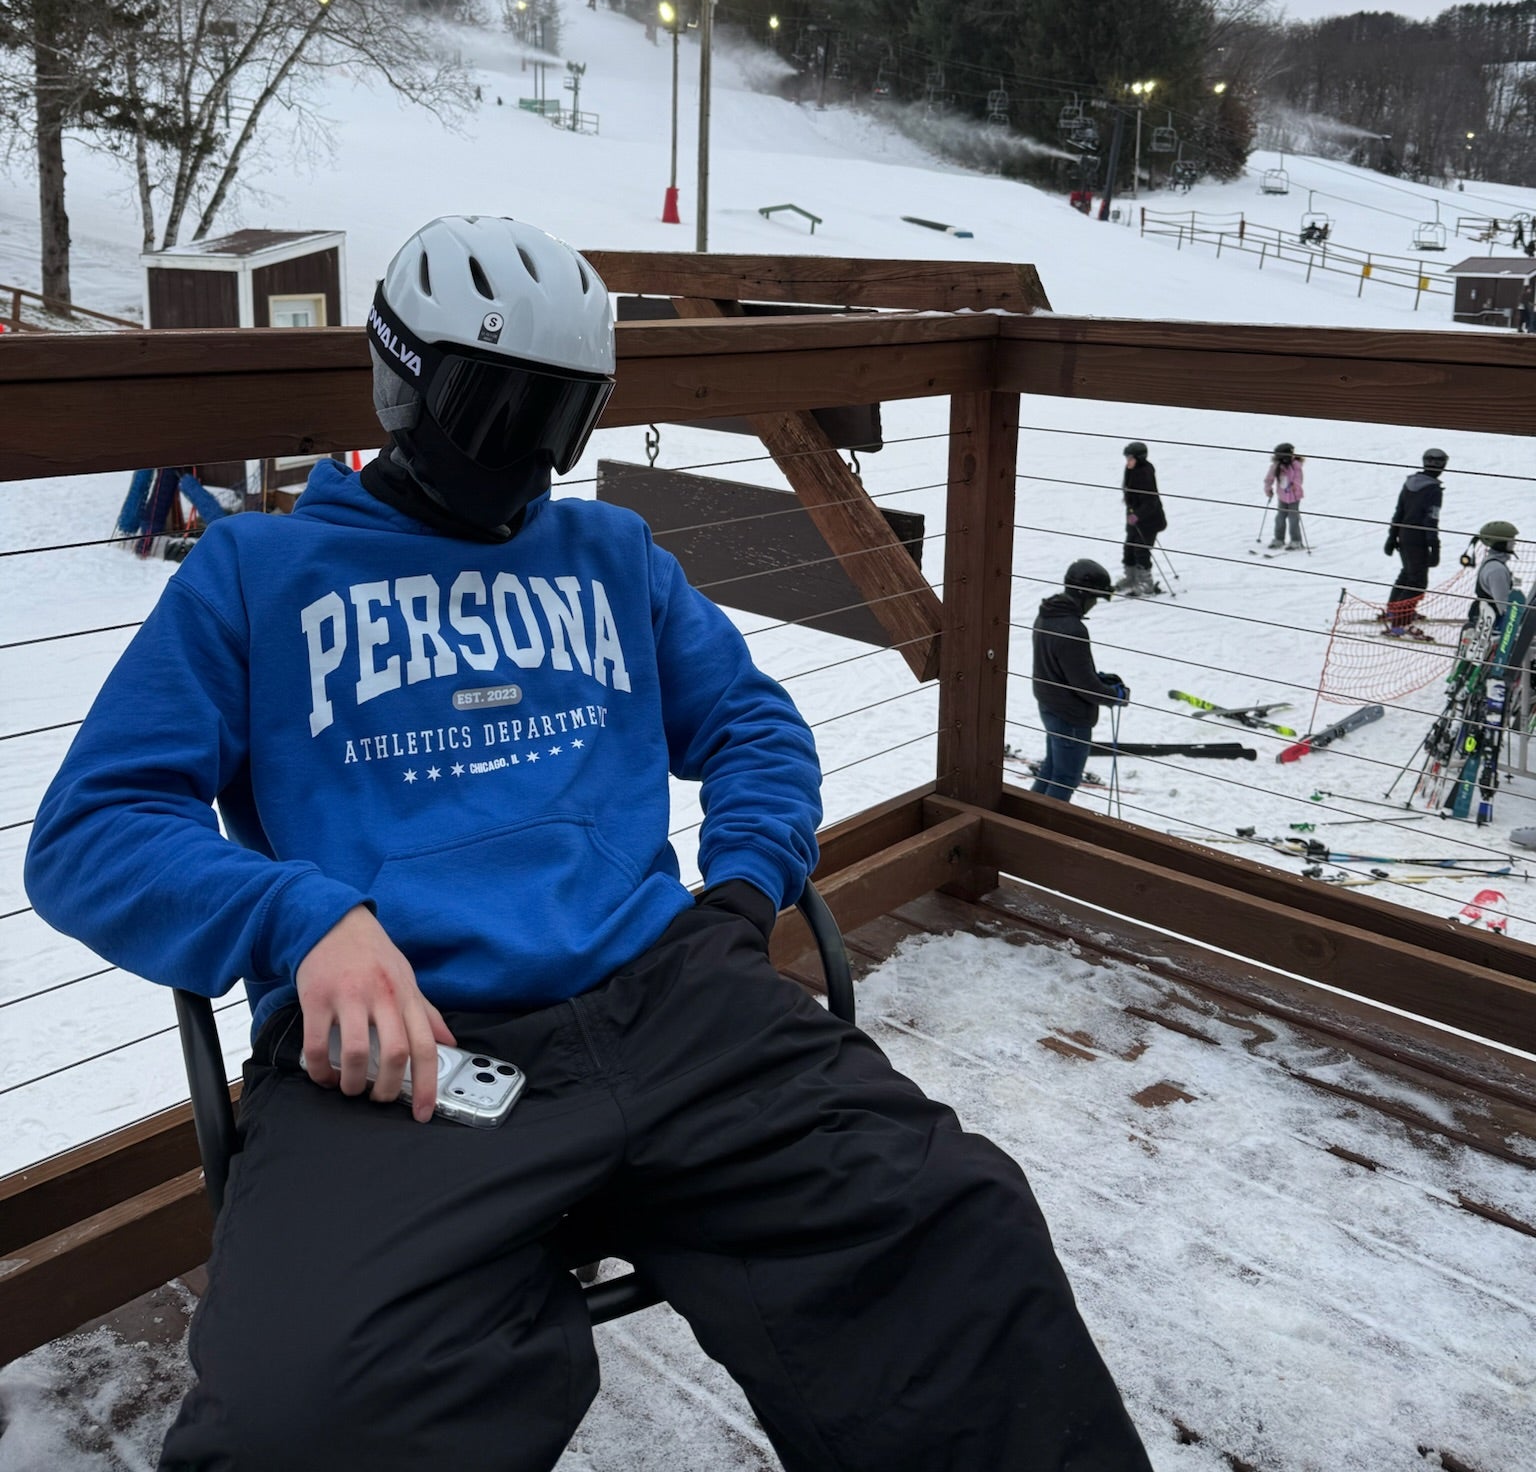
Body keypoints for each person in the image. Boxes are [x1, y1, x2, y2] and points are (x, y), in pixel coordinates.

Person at [26, 214, 1151, 1472]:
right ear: (404, 382)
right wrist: (302, 919)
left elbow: (755, 727)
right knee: (301, 1418)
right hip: (413, 1047)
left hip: (678, 999)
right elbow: (93, 828)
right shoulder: (258, 572)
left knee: (957, 1230)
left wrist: (740, 891)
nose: (526, 456)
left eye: (561, 418)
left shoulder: (612, 555)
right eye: (493, 408)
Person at [1030, 559, 1128, 800]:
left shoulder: (1047, 616)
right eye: (1096, 598)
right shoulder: (1073, 629)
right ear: (1084, 595)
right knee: (1065, 779)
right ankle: (1041, 831)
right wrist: (1115, 695)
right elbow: (1084, 686)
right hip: (1070, 717)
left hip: (1050, 706)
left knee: (1051, 771)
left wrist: (1100, 678)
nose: (1095, 605)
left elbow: (1061, 669)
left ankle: (1024, 819)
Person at [1383, 446, 1448, 637]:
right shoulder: (1433, 490)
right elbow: (1431, 520)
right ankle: (1400, 623)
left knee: (1407, 573)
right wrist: (1434, 547)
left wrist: (1392, 536)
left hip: (1404, 535)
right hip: (1418, 539)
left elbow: (1399, 512)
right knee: (1417, 581)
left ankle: (1394, 610)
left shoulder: (1410, 483)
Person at [1115, 441, 1166, 597]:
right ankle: (1131, 579)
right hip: (1133, 517)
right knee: (1129, 547)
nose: (1127, 461)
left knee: (1141, 549)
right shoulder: (1131, 469)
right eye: (1127, 458)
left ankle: (1146, 583)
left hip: (1149, 520)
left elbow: (1151, 501)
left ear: (1139, 458)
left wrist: (1138, 515)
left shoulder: (1145, 473)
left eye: (1130, 458)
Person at [1465, 519, 1519, 627]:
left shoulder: (1492, 562)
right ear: (1501, 543)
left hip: (1485, 615)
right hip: (1492, 622)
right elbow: (1503, 604)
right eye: (1511, 540)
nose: (1514, 543)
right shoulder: (1496, 569)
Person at [1263, 442, 1305, 551]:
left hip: (1294, 497)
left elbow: (1298, 478)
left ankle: (1296, 541)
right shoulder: (1277, 465)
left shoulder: (1295, 465)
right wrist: (1268, 489)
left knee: (1293, 519)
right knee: (1280, 518)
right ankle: (1279, 539)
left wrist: (1295, 486)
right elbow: (1269, 478)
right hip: (1282, 496)